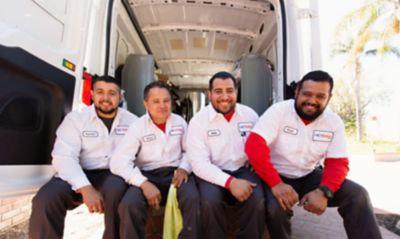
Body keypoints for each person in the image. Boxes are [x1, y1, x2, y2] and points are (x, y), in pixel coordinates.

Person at [245, 70, 382, 239]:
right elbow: (254, 145)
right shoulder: (279, 111)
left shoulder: (333, 122)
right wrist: (276, 183)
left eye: (320, 96)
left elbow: (338, 163)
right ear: (297, 92)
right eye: (307, 94)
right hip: (274, 175)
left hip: (308, 175)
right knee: (275, 208)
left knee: (358, 195)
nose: (312, 101)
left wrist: (324, 191)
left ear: (329, 98)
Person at [29, 75, 138, 239]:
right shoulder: (76, 118)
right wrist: (85, 188)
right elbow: (63, 156)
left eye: (112, 93)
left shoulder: (133, 122)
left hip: (113, 174)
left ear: (120, 96)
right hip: (77, 171)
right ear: (92, 94)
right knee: (45, 199)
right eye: (100, 92)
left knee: (118, 190)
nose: (106, 98)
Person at [110, 81, 200, 239]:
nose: (162, 105)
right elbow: (118, 162)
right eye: (156, 101)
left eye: (166, 100)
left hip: (176, 173)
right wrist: (143, 183)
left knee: (193, 198)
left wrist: (184, 168)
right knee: (129, 205)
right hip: (147, 175)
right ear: (146, 103)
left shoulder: (180, 122)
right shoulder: (137, 127)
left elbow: (190, 151)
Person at [186, 71, 265, 239]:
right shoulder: (198, 121)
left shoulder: (250, 115)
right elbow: (199, 163)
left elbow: (261, 145)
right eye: (218, 91)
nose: (224, 96)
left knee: (257, 200)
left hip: (242, 169)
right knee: (209, 202)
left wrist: (255, 159)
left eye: (229, 90)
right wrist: (230, 182)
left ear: (236, 92)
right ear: (210, 94)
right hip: (211, 172)